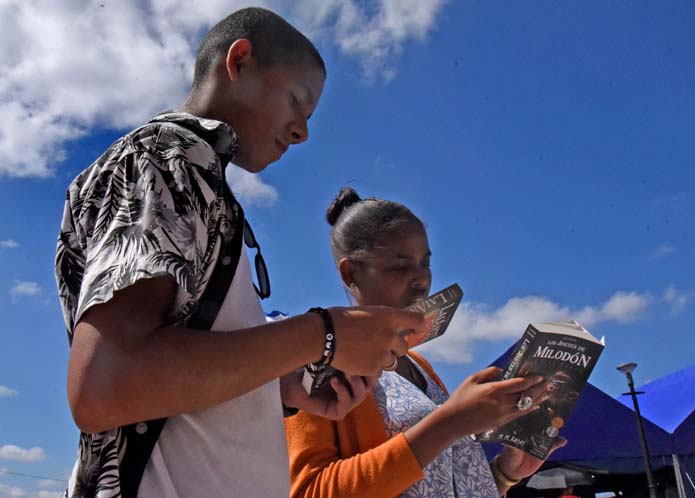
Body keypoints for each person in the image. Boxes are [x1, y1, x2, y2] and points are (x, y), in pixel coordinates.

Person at [54, 9, 423, 498]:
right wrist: (324, 334)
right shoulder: (166, 158)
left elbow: (171, 381)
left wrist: (282, 385)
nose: (302, 133)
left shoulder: (199, 181)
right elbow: (107, 385)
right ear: (240, 60)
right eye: (297, 100)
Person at [285, 187, 567, 498]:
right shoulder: (320, 356)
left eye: (425, 263)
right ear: (350, 273)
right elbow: (309, 491)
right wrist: (450, 422)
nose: (422, 278)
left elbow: (433, 482)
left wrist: (504, 473)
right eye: (401, 266)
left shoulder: (420, 365)